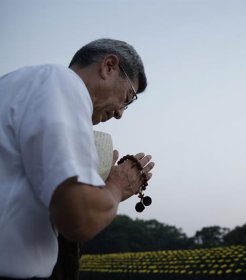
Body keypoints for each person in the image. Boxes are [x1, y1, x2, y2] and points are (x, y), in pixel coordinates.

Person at [0, 38, 155, 279]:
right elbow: (79, 219)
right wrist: (116, 186)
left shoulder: (19, 84)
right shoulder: (62, 83)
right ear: (109, 66)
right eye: (126, 98)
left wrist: (100, 187)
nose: (119, 113)